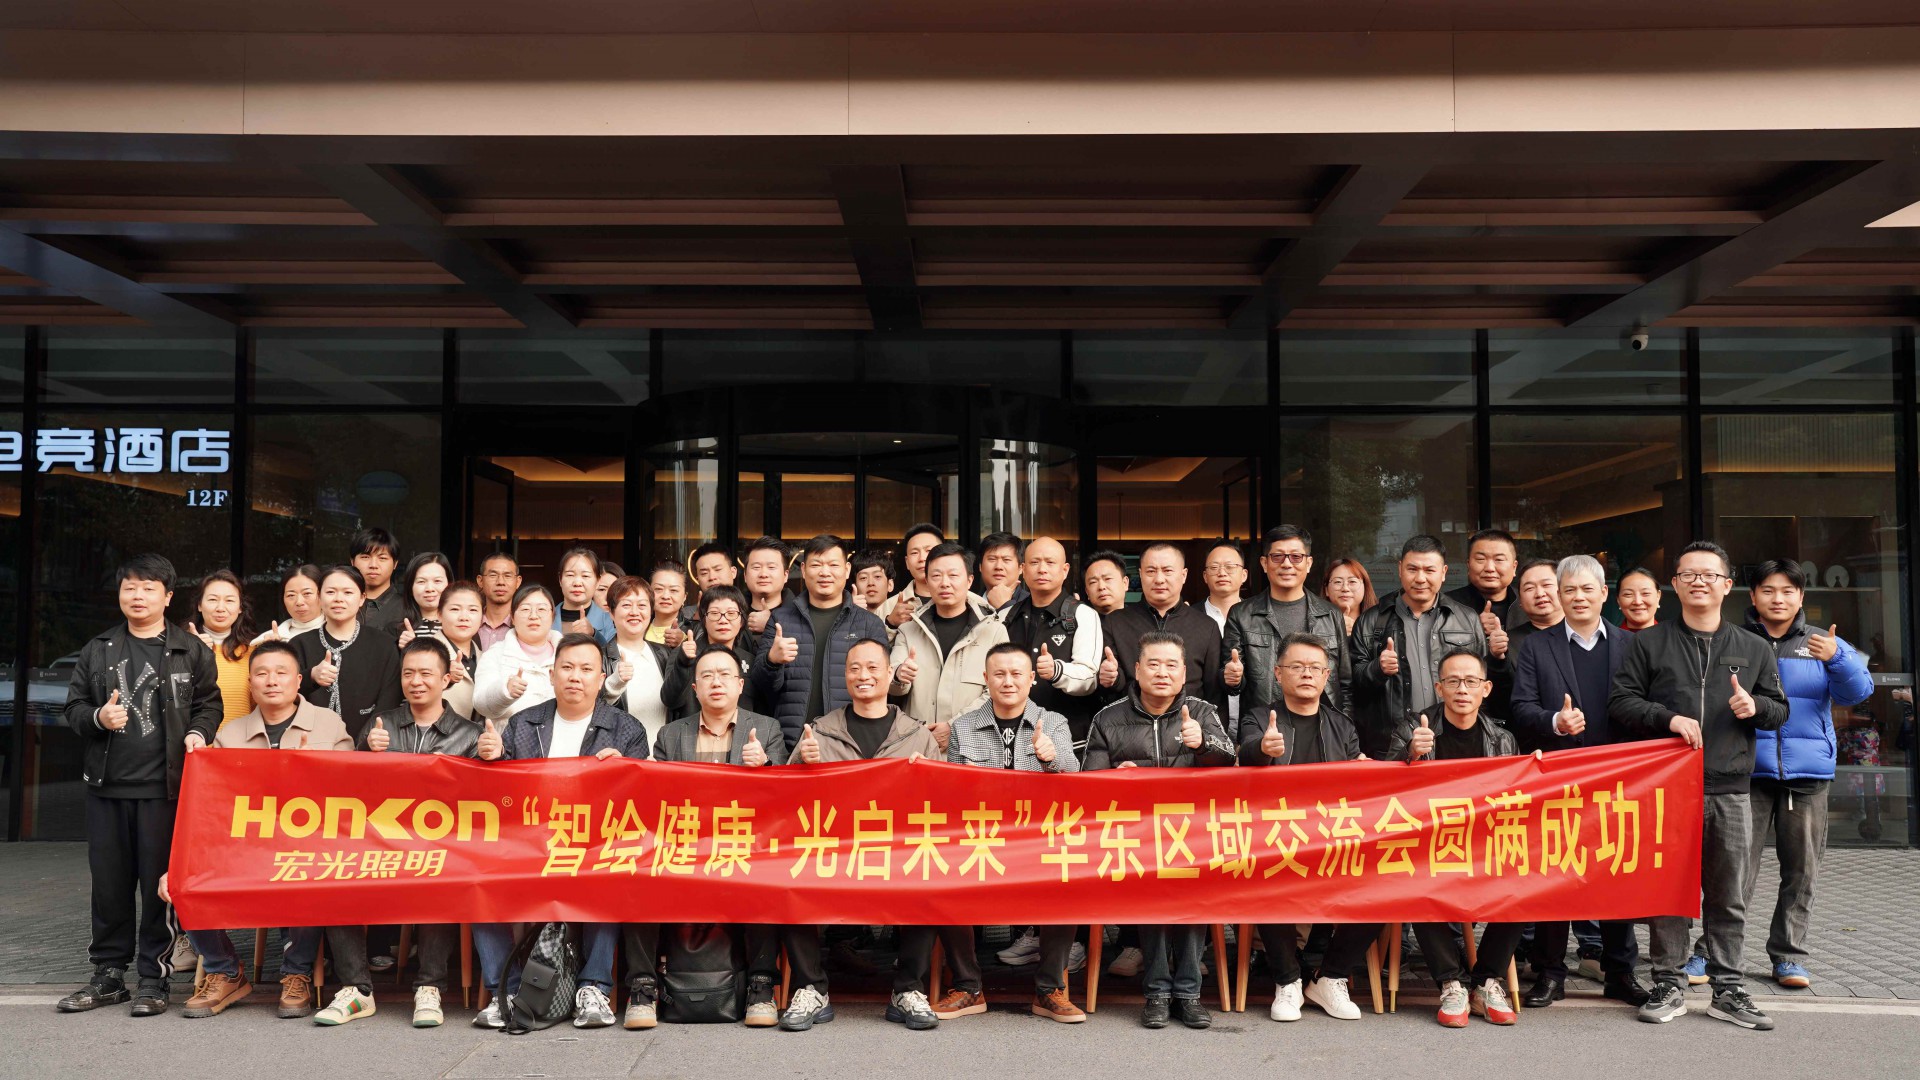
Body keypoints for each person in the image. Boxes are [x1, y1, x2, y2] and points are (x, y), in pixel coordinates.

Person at [1610, 540, 1788, 1030]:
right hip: (1668, 787)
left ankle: (1728, 987)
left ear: (1727, 586)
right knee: (1670, 891)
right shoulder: (1649, 643)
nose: (1699, 582)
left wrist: (1756, 707)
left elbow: (1779, 709)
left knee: (1728, 893)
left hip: (1731, 788)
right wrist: (1666, 718)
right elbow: (1621, 701)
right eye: (1688, 574)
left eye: (1709, 575)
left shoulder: (1753, 647)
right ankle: (1668, 982)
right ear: (1675, 585)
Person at [57, 554, 222, 1018]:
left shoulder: (191, 650)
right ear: (120, 594)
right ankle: (109, 976)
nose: (138, 596)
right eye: (130, 587)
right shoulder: (98, 649)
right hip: (107, 789)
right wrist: (98, 717)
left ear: (167, 597)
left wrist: (199, 731)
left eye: (149, 588)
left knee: (158, 889)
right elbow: (73, 708)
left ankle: (154, 978)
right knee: (109, 887)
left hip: (165, 792)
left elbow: (210, 703)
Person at [162, 639, 350, 1020]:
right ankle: (224, 969)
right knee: (181, 881)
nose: (272, 681)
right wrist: (178, 863)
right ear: (250, 684)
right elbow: (211, 805)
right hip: (244, 848)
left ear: (299, 680)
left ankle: (296, 972)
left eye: (281, 673)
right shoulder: (230, 734)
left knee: (312, 875)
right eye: (261, 674)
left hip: (309, 846)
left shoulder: (328, 724)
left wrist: (313, 771)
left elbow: (352, 791)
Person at [472, 634, 650, 1030]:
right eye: (566, 668)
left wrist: (625, 770)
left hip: (593, 845)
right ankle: (505, 992)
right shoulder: (523, 722)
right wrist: (490, 757)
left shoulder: (625, 729)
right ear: (552, 675)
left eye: (586, 669)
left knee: (613, 870)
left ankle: (593, 988)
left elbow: (642, 801)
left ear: (601, 679)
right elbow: (495, 793)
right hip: (527, 845)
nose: (575, 677)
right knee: (477, 880)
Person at [1722, 559, 1872, 989]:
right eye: (1768, 590)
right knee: (1734, 871)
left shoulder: (1823, 643)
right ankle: (1714, 953)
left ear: (1801, 597)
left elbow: (1858, 692)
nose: (1778, 599)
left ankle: (1788, 956)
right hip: (1747, 771)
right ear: (1753, 596)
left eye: (1788, 591)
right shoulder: (1733, 640)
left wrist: (1838, 658)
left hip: (1805, 775)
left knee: (1801, 872)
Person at [779, 638, 941, 1032]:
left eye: (872, 667)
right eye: (854, 668)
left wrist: (927, 777)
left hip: (895, 852)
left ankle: (907, 989)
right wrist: (803, 764)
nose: (863, 675)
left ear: (889, 674)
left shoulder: (917, 735)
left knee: (932, 880)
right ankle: (811, 988)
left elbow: (940, 806)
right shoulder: (820, 731)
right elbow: (787, 800)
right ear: (845, 676)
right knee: (787, 879)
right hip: (833, 851)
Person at [1508, 555, 1648, 1008]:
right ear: (1559, 596)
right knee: (1555, 876)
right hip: (1560, 780)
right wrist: (1555, 721)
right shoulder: (1537, 646)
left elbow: (1649, 705)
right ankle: (1551, 973)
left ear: (1604, 594)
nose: (1578, 597)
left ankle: (1620, 972)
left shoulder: (1632, 646)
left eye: (1588, 589)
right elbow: (1520, 708)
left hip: (1619, 780)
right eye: (1569, 590)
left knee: (1617, 874)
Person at [626, 645, 787, 1029]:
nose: (717, 682)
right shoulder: (670, 734)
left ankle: (761, 986)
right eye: (708, 676)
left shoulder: (767, 729)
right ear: (695, 688)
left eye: (725, 675)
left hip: (743, 846)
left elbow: (785, 798)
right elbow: (656, 801)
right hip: (683, 847)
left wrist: (765, 767)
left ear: (740, 685)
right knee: (635, 876)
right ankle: (643, 989)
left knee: (769, 876)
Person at [1085, 632, 1233, 1029]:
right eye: (1153, 664)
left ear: (1184, 673)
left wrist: (1203, 745)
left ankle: (1187, 993)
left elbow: (1231, 763)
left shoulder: (1202, 712)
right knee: (1151, 882)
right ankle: (1157, 992)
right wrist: (1115, 777)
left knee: (1191, 881)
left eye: (1171, 665)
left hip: (1194, 836)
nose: (1162, 673)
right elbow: (1088, 785)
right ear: (1137, 670)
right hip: (1133, 838)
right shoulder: (1108, 718)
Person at [932, 644, 1086, 1025]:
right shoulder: (964, 727)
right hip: (981, 839)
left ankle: (1050, 989)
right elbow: (952, 794)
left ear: (1032, 679)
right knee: (941, 876)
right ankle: (968, 986)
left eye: (1017, 674)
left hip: (1037, 841)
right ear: (986, 679)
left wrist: (1051, 758)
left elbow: (1075, 779)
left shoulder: (1053, 722)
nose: (1008, 682)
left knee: (1067, 875)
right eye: (999, 674)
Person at [1233, 633, 1374, 1024]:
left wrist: (1365, 771)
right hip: (1275, 837)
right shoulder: (1259, 718)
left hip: (1333, 838)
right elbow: (1246, 754)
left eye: (1315, 668)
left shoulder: (1342, 725)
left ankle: (1330, 977)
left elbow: (1357, 788)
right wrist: (1263, 750)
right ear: (1278, 674)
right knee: (1263, 872)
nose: (1307, 674)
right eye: (1297, 667)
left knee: (1386, 878)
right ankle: (1288, 979)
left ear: (1327, 676)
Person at [1386, 648, 1529, 1028]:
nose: (1462, 689)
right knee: (1415, 883)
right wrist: (1409, 755)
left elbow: (1513, 800)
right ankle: (1451, 983)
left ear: (1486, 688)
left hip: (1484, 848)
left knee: (1527, 883)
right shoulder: (1414, 729)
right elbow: (1382, 790)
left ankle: (1485, 982)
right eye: (1453, 681)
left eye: (1470, 682)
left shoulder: (1502, 739)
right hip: (1428, 847)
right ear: (1439, 687)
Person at [361, 637, 483, 1026]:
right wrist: (366, 753)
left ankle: (429, 986)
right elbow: (350, 792)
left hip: (441, 845)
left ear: (446, 679)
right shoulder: (380, 726)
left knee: (440, 872)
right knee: (334, 873)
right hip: (380, 843)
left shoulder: (470, 734)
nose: (416, 681)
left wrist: (489, 760)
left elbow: (484, 802)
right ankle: (355, 988)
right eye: (408, 673)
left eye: (426, 673)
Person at [1348, 534, 1488, 758]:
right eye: (1412, 569)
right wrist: (1377, 668)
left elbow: (1481, 682)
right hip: (1390, 745)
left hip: (1451, 742)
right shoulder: (1371, 620)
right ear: (1400, 569)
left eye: (1429, 570)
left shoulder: (1467, 619)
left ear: (1443, 572)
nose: (1420, 578)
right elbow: (1351, 684)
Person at [751, 534, 889, 750]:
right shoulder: (780, 620)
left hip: (850, 745)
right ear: (804, 569)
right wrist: (772, 660)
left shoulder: (869, 624)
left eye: (833, 565)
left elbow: (881, 687)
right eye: (816, 565)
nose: (825, 572)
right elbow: (760, 686)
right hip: (792, 743)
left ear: (847, 570)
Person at [1225, 525, 1353, 721]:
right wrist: (1233, 679)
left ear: (1308, 563)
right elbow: (1231, 681)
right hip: (1264, 724)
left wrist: (1344, 728)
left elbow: (1346, 683)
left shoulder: (1330, 614)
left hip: (1322, 726)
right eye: (1277, 556)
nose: (1286, 564)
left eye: (1296, 557)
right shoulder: (1241, 614)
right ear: (1264, 563)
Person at [889, 542, 1008, 747]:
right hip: (918, 745)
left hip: (973, 747)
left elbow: (999, 691)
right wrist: (899, 676)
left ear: (969, 580)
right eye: (936, 576)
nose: (945, 583)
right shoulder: (908, 630)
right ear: (927, 581)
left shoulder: (994, 631)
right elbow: (891, 686)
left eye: (953, 575)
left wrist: (955, 727)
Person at [999, 536, 1104, 750]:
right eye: (1035, 562)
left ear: (1065, 570)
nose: (1042, 569)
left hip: (1068, 740)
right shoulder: (1005, 616)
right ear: (1023, 569)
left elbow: (1089, 678)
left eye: (1050, 562)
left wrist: (1057, 671)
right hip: (1012, 737)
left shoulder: (1083, 615)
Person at [1098, 543, 1223, 710]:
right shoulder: (1115, 622)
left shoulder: (1206, 626)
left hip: (1189, 721)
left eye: (1167, 571)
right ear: (1140, 575)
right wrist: (1112, 678)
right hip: (1130, 721)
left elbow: (1215, 694)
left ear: (1183, 575)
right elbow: (1107, 686)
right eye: (1151, 571)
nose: (1159, 579)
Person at [288, 565, 402, 743]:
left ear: (362, 598)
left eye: (348, 592)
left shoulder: (384, 645)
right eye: (330, 592)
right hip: (310, 745)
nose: (338, 599)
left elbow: (390, 700)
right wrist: (311, 676)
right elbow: (283, 696)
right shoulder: (299, 644)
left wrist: (366, 740)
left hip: (369, 745)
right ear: (319, 597)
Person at [1449, 529, 1525, 727]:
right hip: (1464, 716)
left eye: (1499, 559)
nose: (1490, 568)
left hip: (1521, 714)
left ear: (1514, 567)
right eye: (1481, 559)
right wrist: (1472, 628)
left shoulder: (1528, 604)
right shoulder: (1447, 605)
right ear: (1468, 565)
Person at [661, 583, 757, 719]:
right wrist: (684, 662)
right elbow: (670, 700)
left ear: (741, 621)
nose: (723, 620)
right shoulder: (683, 654)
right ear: (704, 620)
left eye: (731, 614)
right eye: (714, 613)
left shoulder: (750, 661)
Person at [471, 584, 560, 723]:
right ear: (512, 617)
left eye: (541, 609)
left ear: (553, 616)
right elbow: (480, 704)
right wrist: (505, 692)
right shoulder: (495, 654)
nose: (533, 616)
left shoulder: (569, 654)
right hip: (508, 736)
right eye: (525, 609)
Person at [601, 576, 675, 741]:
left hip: (664, 753)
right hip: (620, 752)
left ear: (651, 611)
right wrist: (614, 683)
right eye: (626, 605)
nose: (634, 612)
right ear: (612, 612)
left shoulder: (665, 654)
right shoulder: (599, 658)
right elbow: (590, 710)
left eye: (642, 605)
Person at [190, 568, 255, 725]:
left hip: (241, 739)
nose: (220, 608)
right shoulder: (179, 646)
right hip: (196, 738)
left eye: (229, 601)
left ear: (240, 607)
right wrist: (190, 654)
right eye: (213, 600)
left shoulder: (252, 651)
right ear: (199, 605)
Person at [878, 522, 945, 635]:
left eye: (929, 551)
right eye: (914, 553)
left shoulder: (969, 602)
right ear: (907, 562)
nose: (922, 558)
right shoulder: (888, 607)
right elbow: (872, 644)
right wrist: (891, 624)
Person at [436, 581, 484, 719]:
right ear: (439, 614)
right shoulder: (424, 653)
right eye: (455, 609)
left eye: (473, 610)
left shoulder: (486, 658)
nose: (464, 617)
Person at [394, 551, 454, 650]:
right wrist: (405, 650)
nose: (429, 589)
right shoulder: (396, 631)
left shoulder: (462, 626)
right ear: (410, 587)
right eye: (421, 581)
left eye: (437, 581)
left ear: (449, 584)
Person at [556, 546, 617, 644]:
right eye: (570, 575)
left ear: (597, 581)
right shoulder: (544, 617)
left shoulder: (611, 621)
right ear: (560, 579)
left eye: (585, 576)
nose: (577, 583)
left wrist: (594, 634)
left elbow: (614, 653)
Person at [349, 526, 404, 633]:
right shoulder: (340, 603)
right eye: (365, 557)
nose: (373, 565)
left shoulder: (409, 607)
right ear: (352, 562)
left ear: (395, 564)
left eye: (382, 558)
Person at [252, 563, 325, 644]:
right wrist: (271, 649)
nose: (299, 602)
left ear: (322, 595)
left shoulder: (335, 633)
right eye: (291, 595)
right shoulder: (266, 640)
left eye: (307, 593)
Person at [741, 535, 791, 648]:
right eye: (756, 567)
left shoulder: (802, 614)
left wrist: (770, 625)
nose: (763, 574)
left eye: (771, 567)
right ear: (745, 575)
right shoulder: (731, 614)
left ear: (785, 575)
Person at [476, 551, 522, 651]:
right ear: (480, 581)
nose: (500, 582)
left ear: (518, 582)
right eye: (493, 575)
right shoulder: (469, 622)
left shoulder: (524, 624)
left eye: (507, 576)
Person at [1200, 540, 1248, 632]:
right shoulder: (1190, 616)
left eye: (1229, 567)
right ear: (1205, 576)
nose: (1222, 573)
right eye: (1214, 567)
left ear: (1244, 575)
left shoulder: (1257, 615)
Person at [1322, 557, 1377, 635]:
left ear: (1365, 587)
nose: (1345, 588)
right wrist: (1334, 632)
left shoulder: (1382, 622)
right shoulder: (1314, 625)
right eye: (1338, 582)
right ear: (1326, 590)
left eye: (1352, 581)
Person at [646, 561, 693, 647]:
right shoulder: (637, 627)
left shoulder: (695, 631)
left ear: (684, 597)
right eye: (658, 589)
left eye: (673, 590)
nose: (665, 596)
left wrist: (682, 642)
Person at [977, 531, 1025, 612]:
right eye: (992, 559)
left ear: (1021, 568)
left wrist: (1004, 606)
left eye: (1006, 560)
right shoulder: (968, 604)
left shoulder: (1032, 604)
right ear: (980, 566)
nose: (998, 567)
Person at [1082, 549, 1131, 617]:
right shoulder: (1081, 621)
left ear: (1125, 583)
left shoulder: (1140, 620)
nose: (1101, 587)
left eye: (1108, 579)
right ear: (1087, 592)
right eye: (1093, 582)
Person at [1617, 567, 1661, 632]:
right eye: (1628, 594)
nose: (1638, 602)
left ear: (1658, 596)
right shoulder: (1610, 638)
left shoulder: (1673, 637)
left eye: (1646, 593)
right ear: (1618, 600)